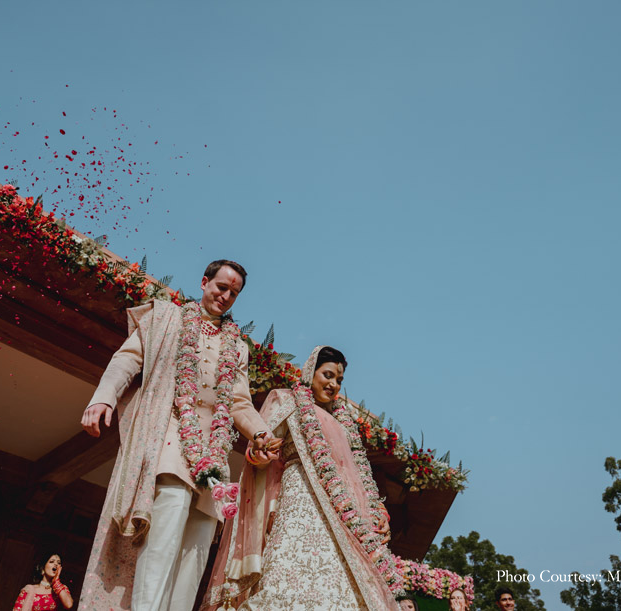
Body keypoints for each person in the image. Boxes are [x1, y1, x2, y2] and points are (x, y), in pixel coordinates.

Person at [78, 260, 281, 611]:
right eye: (221, 287)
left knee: (197, 550)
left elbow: (239, 403)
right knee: (163, 537)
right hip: (170, 439)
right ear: (204, 282)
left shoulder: (238, 347)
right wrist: (102, 399)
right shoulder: (165, 319)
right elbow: (126, 361)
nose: (226, 296)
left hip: (213, 456)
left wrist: (260, 434)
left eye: (234, 293)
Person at [202, 346, 403, 610]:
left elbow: (357, 477)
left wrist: (377, 514)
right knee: (286, 580)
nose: (333, 384)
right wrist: (261, 452)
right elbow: (256, 450)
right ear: (311, 372)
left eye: (339, 380)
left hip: (343, 514)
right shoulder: (286, 401)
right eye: (328, 375)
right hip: (300, 500)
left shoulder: (344, 422)